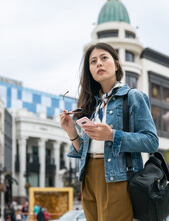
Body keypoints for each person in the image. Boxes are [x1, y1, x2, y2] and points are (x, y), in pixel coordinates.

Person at [60, 42, 159, 221]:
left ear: (117, 63)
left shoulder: (133, 97)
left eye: (104, 58)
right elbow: (84, 150)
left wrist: (112, 136)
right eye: (93, 61)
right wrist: (71, 131)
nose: (98, 63)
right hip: (88, 177)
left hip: (117, 178)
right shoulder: (92, 105)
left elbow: (151, 141)